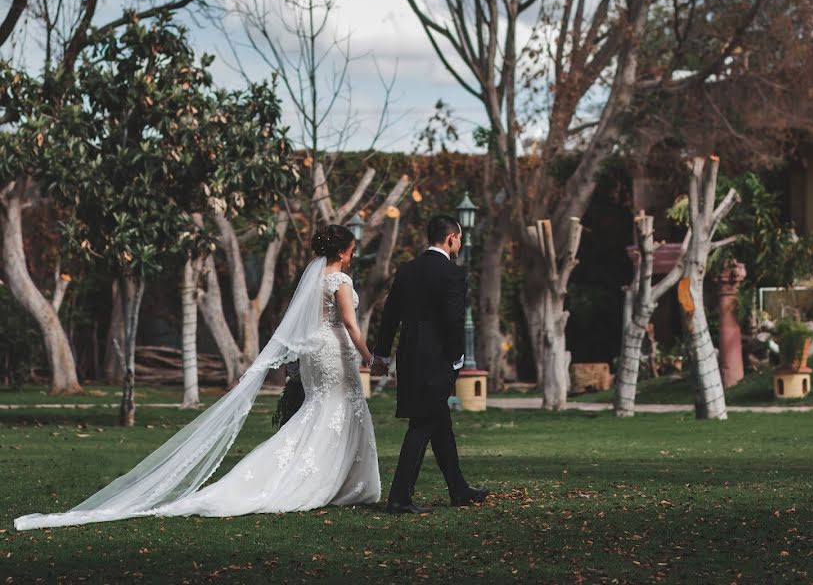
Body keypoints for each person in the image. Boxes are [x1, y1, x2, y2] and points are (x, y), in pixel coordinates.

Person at [15, 225, 379, 530]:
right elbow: (348, 322)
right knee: (337, 411)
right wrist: (369, 357)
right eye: (351, 251)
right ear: (344, 251)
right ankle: (335, 482)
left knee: (318, 413)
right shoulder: (339, 279)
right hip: (333, 348)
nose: (350, 256)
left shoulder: (311, 279)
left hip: (313, 351)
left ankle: (336, 480)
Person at [372, 215, 489, 514]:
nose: (460, 244)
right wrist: (456, 357)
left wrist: (382, 355)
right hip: (436, 357)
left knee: (440, 424)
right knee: (423, 424)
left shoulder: (407, 269)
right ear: (451, 238)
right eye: (460, 238)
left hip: (409, 355)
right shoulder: (452, 272)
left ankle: (459, 490)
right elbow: (453, 320)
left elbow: (390, 315)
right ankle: (399, 498)